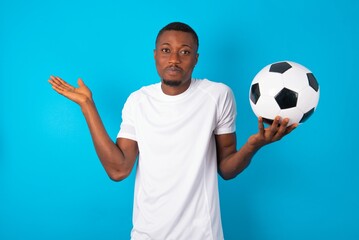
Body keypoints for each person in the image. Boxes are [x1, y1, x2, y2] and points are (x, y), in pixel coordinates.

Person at [48, 22, 297, 240]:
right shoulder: (138, 101)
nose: (174, 59)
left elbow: (226, 168)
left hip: (202, 234)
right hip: (146, 234)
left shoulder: (218, 95)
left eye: (184, 52)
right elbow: (118, 169)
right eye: (166, 50)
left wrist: (254, 145)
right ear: (155, 55)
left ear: (196, 58)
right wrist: (87, 106)